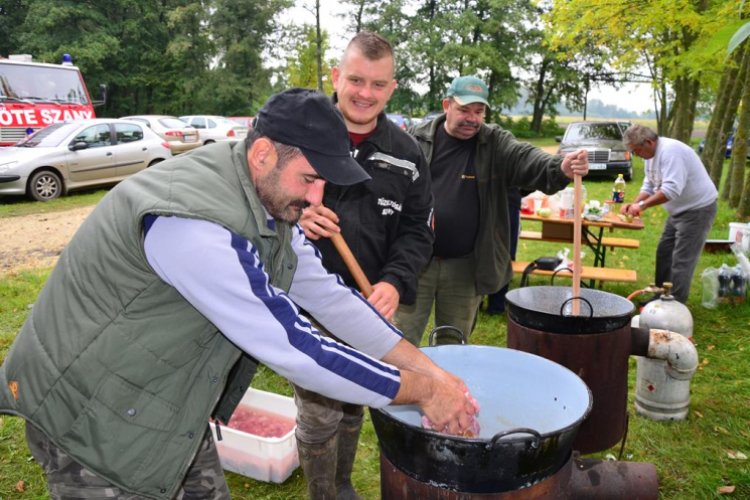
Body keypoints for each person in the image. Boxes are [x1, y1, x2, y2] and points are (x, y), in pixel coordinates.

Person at [0, 88, 475, 500]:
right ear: (264, 153)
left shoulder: (266, 198)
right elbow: (298, 350)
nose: (317, 199)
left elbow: (332, 298)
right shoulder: (191, 225)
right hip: (93, 416)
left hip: (166, 405)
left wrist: (429, 368)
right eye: (310, 180)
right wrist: (422, 392)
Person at [293, 32, 434, 499]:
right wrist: (295, 210)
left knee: (354, 400)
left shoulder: (408, 153)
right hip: (303, 300)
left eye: (377, 84)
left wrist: (395, 281)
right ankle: (323, 495)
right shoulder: (300, 131)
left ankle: (343, 485)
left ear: (392, 88)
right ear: (336, 76)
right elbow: (258, 194)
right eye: (355, 79)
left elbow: (418, 229)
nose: (364, 93)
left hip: (366, 304)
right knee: (318, 409)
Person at [395, 75, 589, 345]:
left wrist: (559, 167)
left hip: (466, 265)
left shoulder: (494, 142)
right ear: (446, 105)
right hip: (414, 261)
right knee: (399, 340)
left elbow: (524, 157)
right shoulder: (416, 138)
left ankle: (448, 388)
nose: (472, 118)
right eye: (464, 110)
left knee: (454, 344)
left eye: (479, 111)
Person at [621, 124, 718, 304]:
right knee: (664, 252)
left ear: (648, 142)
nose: (636, 156)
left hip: (697, 210)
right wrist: (634, 203)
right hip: (677, 212)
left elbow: (671, 190)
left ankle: (675, 305)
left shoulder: (672, 153)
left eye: (636, 151)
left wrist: (642, 206)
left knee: (682, 260)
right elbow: (649, 185)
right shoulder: (649, 156)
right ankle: (660, 296)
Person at [486, 187, 522, 315]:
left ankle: (495, 304)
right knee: (504, 253)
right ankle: (496, 305)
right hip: (506, 199)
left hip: (503, 198)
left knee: (502, 253)